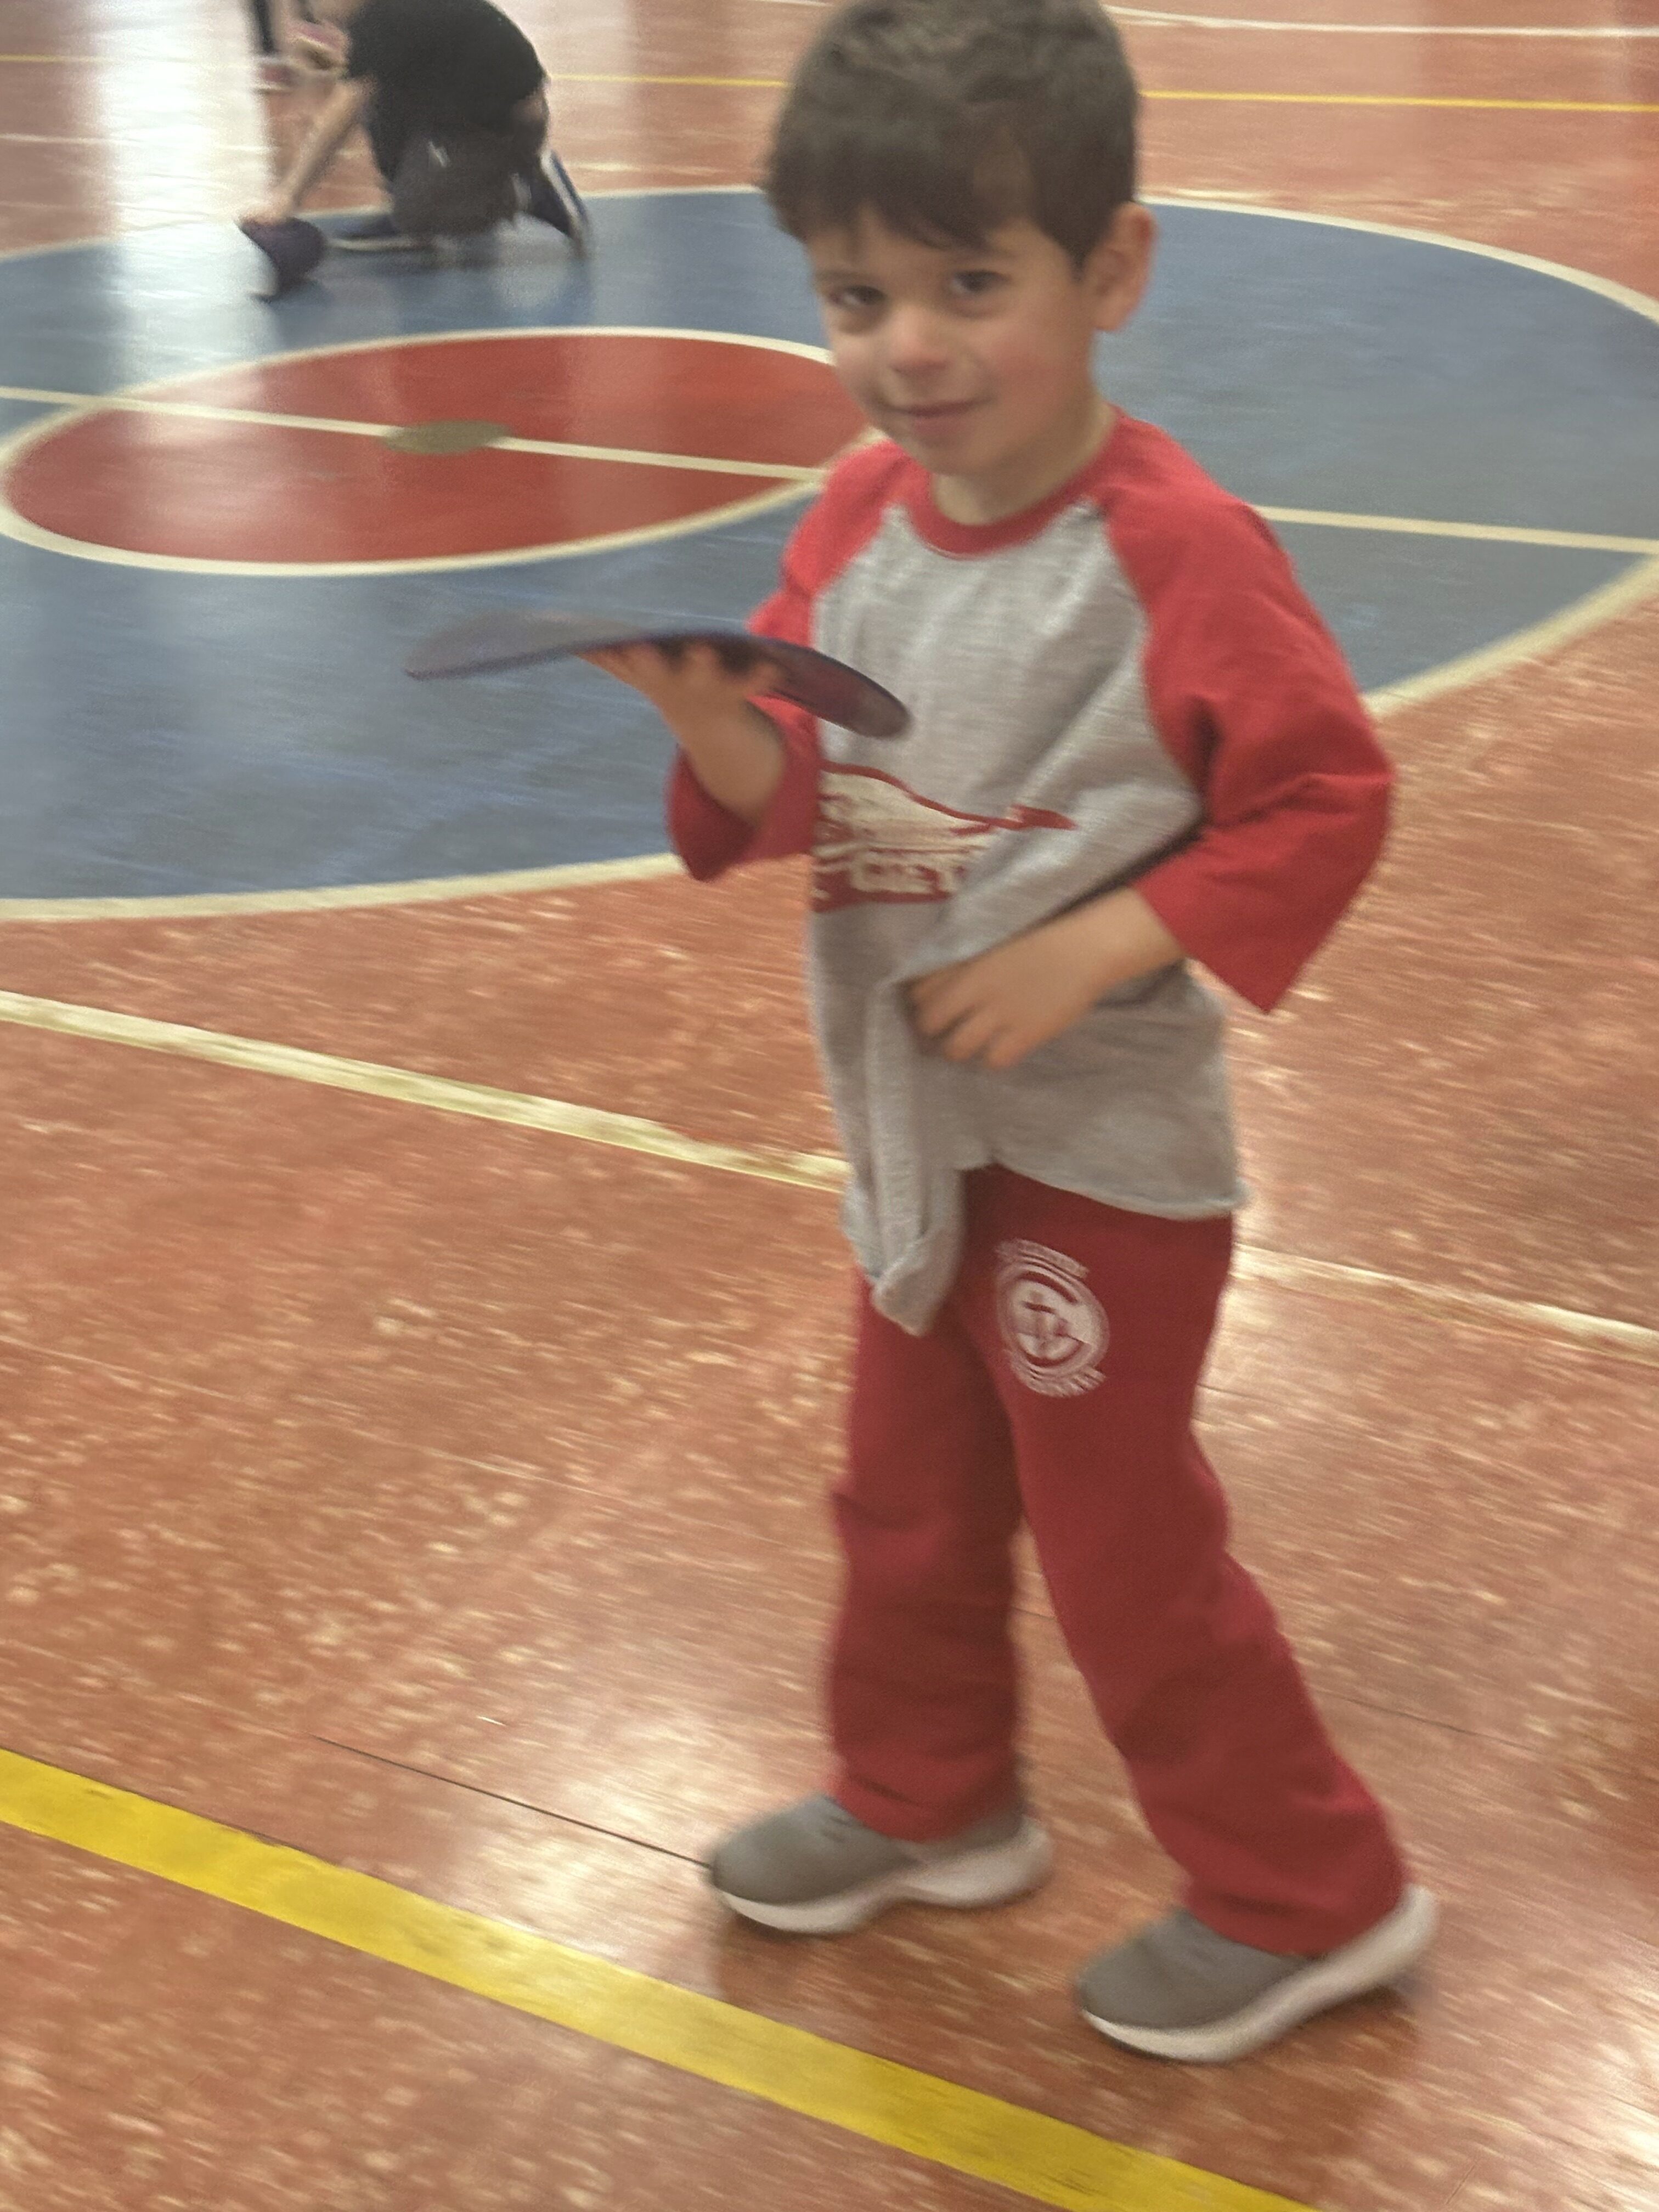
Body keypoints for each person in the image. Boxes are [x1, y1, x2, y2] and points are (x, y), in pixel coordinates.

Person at [581, 0, 1437, 2065]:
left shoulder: (1173, 551)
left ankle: (1308, 1893)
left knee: (1125, 1544)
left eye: (971, 284)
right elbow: (798, 786)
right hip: (914, 1134)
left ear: (1109, 268)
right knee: (904, 1502)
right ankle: (928, 1798)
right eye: (855, 295)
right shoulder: (852, 516)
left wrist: (1101, 941)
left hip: (1095, 1162)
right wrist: (718, 733)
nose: (911, 346)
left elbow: (1322, 795)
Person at [241, 0, 588, 255]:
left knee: (418, 213)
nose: (313, 9)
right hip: (474, 111)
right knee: (378, 94)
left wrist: (288, 197)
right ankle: (410, 205)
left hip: (506, 128)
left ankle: (528, 189)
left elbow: (339, 117)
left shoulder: (385, 16)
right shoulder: (382, 15)